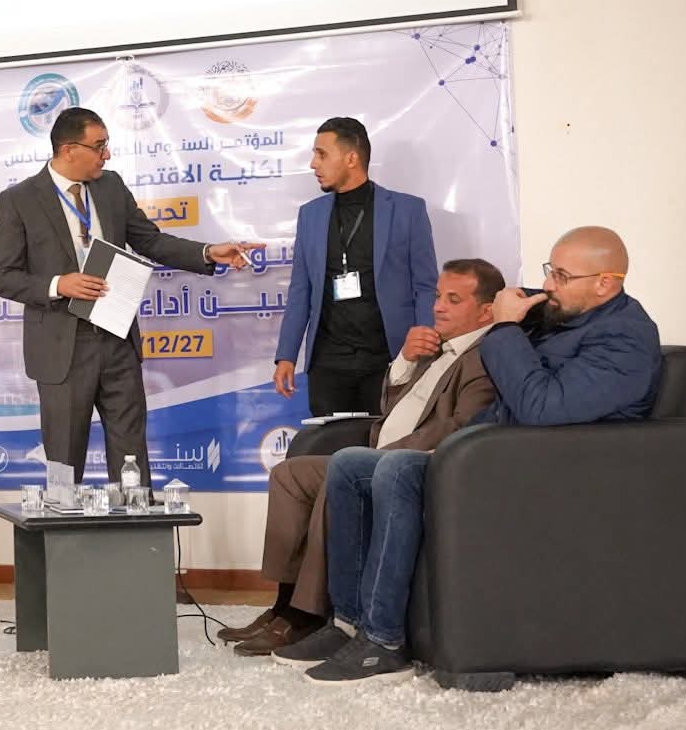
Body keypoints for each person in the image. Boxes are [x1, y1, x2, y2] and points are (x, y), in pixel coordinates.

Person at [286, 226, 661, 683]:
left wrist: (505, 327)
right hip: (498, 456)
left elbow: (542, 408)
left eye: (562, 277)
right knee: (349, 465)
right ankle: (348, 623)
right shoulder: (566, 312)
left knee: (399, 469)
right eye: (550, 271)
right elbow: (509, 308)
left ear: (605, 283)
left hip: (551, 474)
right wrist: (507, 307)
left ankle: (382, 642)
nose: (548, 285)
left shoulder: (625, 339)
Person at [221, 259, 503, 656]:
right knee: (288, 474)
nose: (438, 307)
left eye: (454, 300)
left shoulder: (486, 356)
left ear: (486, 311)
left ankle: (306, 617)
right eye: (439, 296)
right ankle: (284, 605)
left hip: (409, 466)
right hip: (376, 453)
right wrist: (406, 360)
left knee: (340, 471)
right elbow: (391, 406)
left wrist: (388, 452)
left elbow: (460, 426)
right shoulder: (436, 345)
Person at [0, 106, 259, 488]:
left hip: (117, 340)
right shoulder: (20, 199)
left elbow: (151, 241)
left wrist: (208, 252)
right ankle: (63, 523)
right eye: (99, 146)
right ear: (69, 150)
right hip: (61, 349)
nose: (107, 154)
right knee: (64, 461)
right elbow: (2, 277)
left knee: (131, 455)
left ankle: (136, 523)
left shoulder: (110, 186)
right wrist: (58, 284)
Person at [272, 117, 439, 416]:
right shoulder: (310, 215)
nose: (313, 164)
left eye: (322, 154)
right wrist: (286, 355)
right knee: (329, 444)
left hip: (390, 359)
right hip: (328, 364)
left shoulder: (408, 210)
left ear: (351, 158)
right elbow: (300, 289)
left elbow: (426, 286)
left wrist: (423, 347)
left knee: (386, 442)